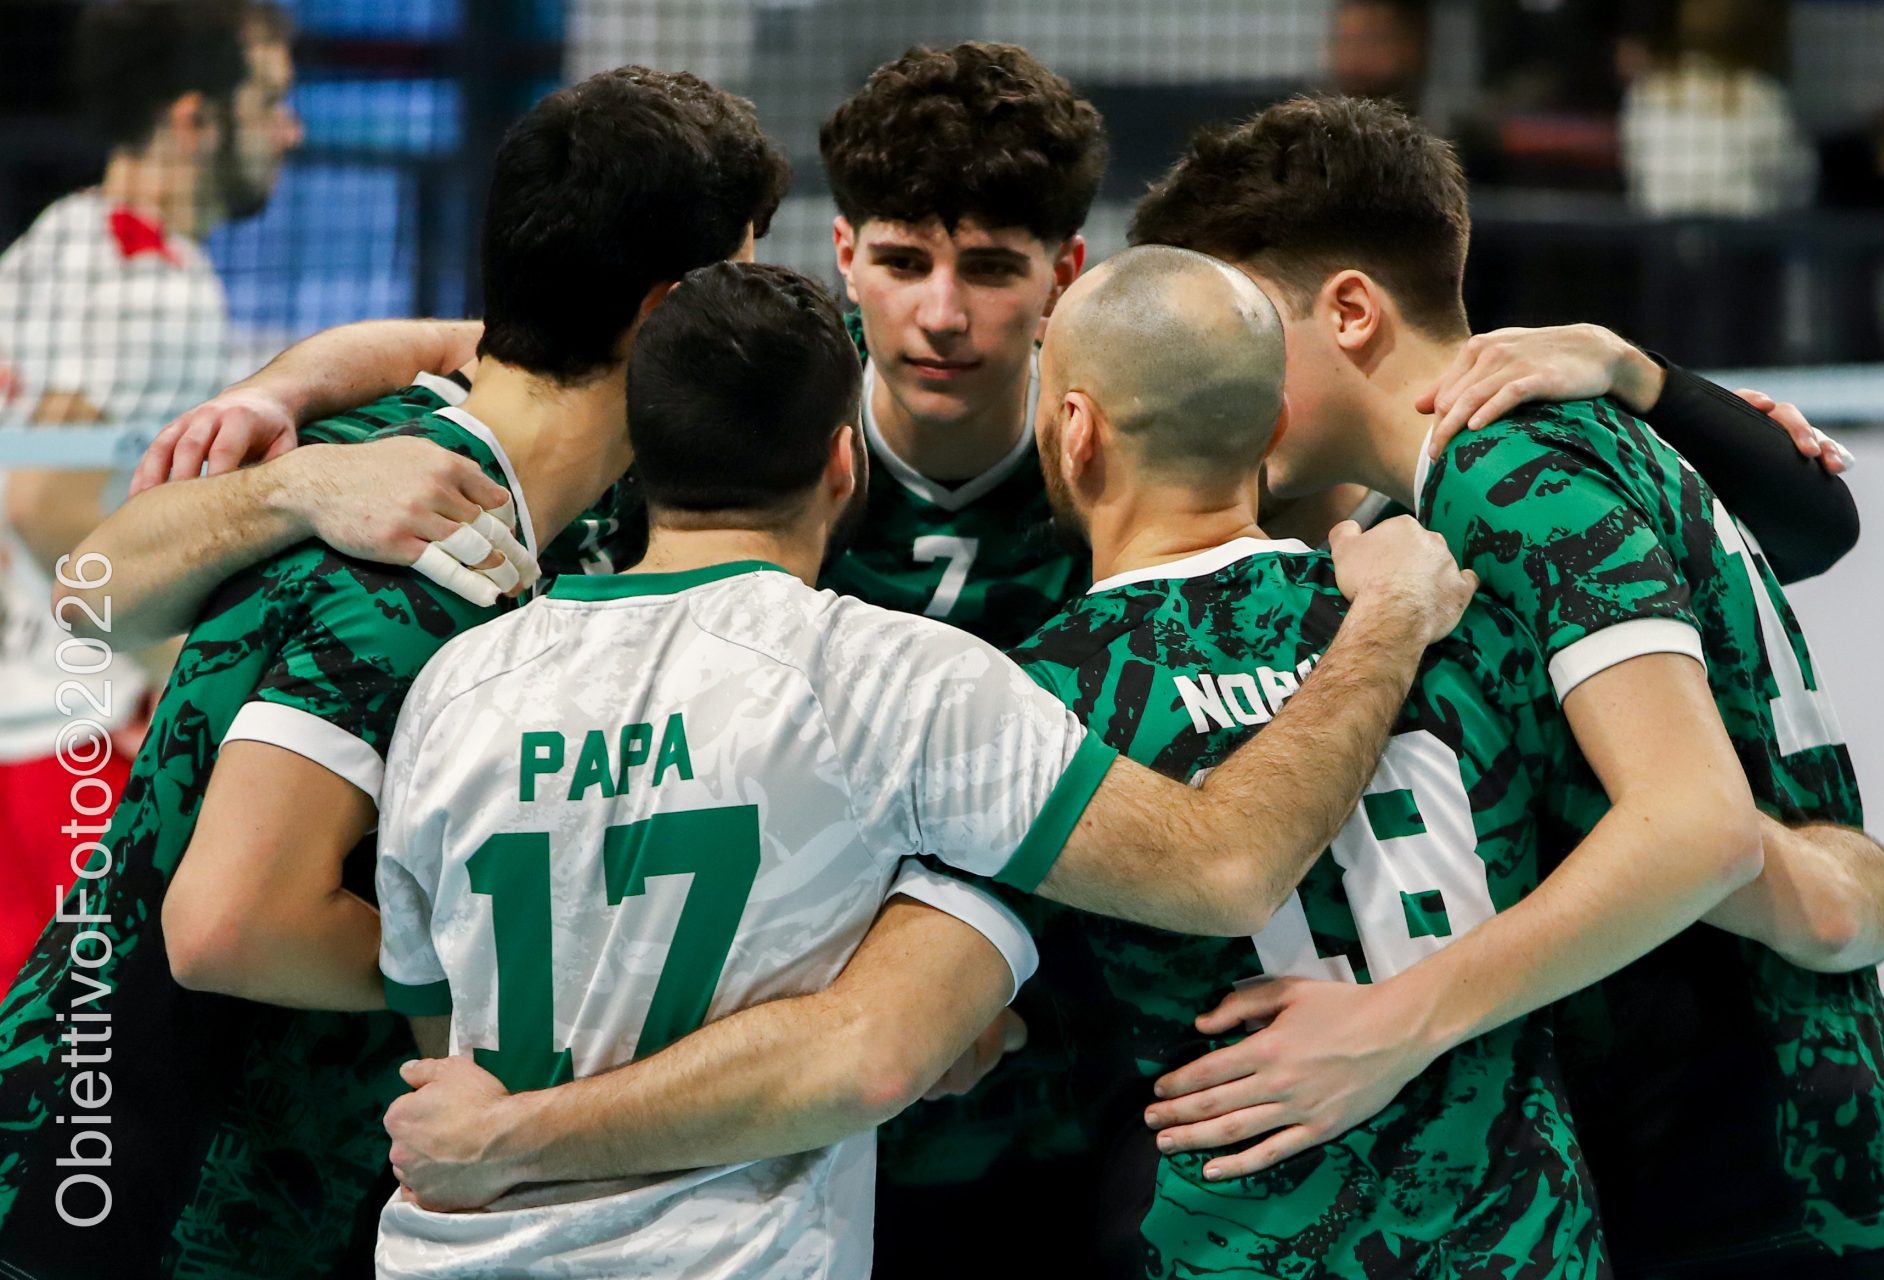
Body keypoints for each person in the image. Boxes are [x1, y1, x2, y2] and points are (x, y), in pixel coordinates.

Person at [367, 255, 1474, 1280]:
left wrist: (506, 1133)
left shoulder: (454, 686)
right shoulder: (892, 677)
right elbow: (1222, 867)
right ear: (843, 461)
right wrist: (1389, 619)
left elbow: (441, 1024)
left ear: (638, 455)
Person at [0, 66, 784, 1280]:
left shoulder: (458, 446)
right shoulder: (424, 557)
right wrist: (533, 976)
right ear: (668, 310)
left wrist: (287, 392)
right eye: (738, 276)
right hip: (148, 1183)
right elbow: (230, 923)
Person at [1129, 93, 1884, 1278]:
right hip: (1799, 1137)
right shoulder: (1581, 436)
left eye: (1237, 333)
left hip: (1740, 1162)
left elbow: (1695, 826)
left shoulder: (1498, 473)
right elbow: (1814, 532)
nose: (1214, 381)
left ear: (1351, 310)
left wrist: (1385, 1028)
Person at [1009, 242, 1607, 1277]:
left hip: (1241, 1248)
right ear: (1275, 423)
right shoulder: (1456, 615)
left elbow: (955, 1016)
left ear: (1076, 427)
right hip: (1528, 1243)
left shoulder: (1041, 697)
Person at [0, 0, 300, 980]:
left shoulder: (58, 238)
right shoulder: (156, 290)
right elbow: (43, 500)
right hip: (73, 747)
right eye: (269, 101)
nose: (290, 130)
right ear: (192, 120)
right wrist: (185, 666)